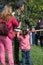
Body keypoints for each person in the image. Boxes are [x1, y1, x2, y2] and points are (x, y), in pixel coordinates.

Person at [13, 0, 25, 65]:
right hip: (15, 34)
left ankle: (24, 61)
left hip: (20, 33)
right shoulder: (14, 14)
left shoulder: (22, 14)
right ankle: (16, 61)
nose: (24, 7)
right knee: (16, 48)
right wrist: (16, 31)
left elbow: (22, 23)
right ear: (20, 7)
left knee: (24, 47)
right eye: (23, 6)